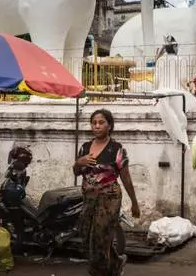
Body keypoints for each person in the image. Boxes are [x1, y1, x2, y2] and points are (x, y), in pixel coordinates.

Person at [74, 109, 140, 276]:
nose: (97, 126)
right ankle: (116, 263)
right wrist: (78, 162)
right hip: (89, 198)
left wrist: (134, 203)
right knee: (87, 235)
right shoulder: (85, 147)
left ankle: (99, 272)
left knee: (100, 238)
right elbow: (76, 172)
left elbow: (126, 178)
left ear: (109, 126)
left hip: (109, 198)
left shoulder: (116, 149)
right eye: (94, 123)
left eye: (101, 122)